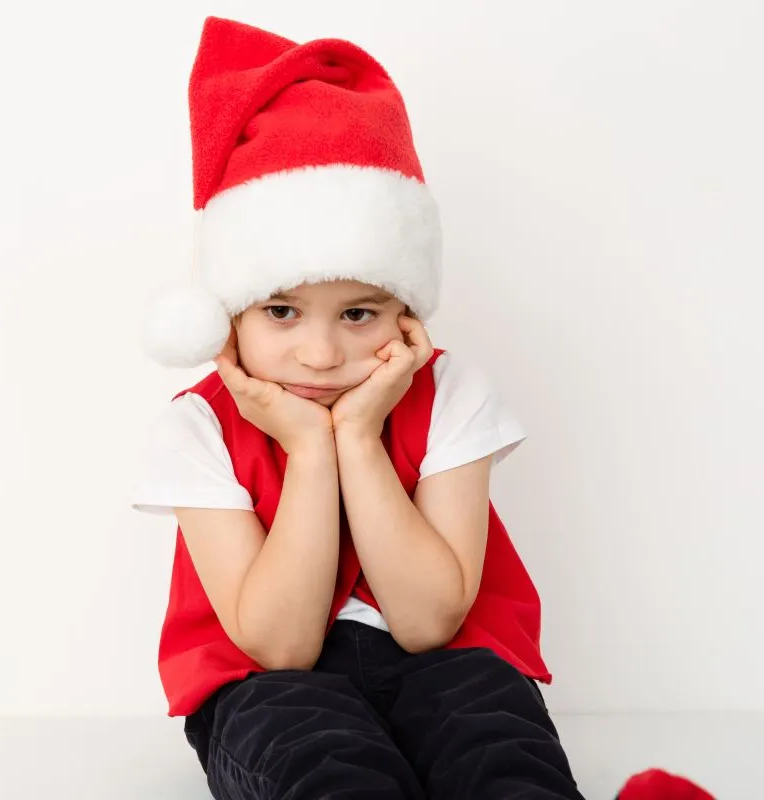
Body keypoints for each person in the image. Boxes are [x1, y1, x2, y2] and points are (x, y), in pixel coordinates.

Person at [132, 16, 714, 800]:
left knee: (498, 752)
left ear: (406, 313)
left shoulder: (454, 394)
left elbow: (428, 620)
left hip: (446, 664)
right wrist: (309, 452)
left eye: (359, 313)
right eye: (280, 311)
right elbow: (280, 645)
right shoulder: (196, 427)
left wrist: (361, 438)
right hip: (270, 683)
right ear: (224, 313)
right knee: (326, 769)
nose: (320, 353)